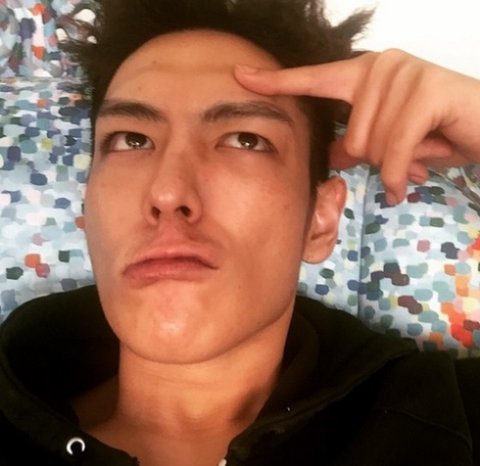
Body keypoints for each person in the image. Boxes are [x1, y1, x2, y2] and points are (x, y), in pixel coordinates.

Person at [0, 0, 479, 465]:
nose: (168, 192)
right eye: (132, 140)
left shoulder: (447, 416)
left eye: (245, 140)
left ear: (321, 219)